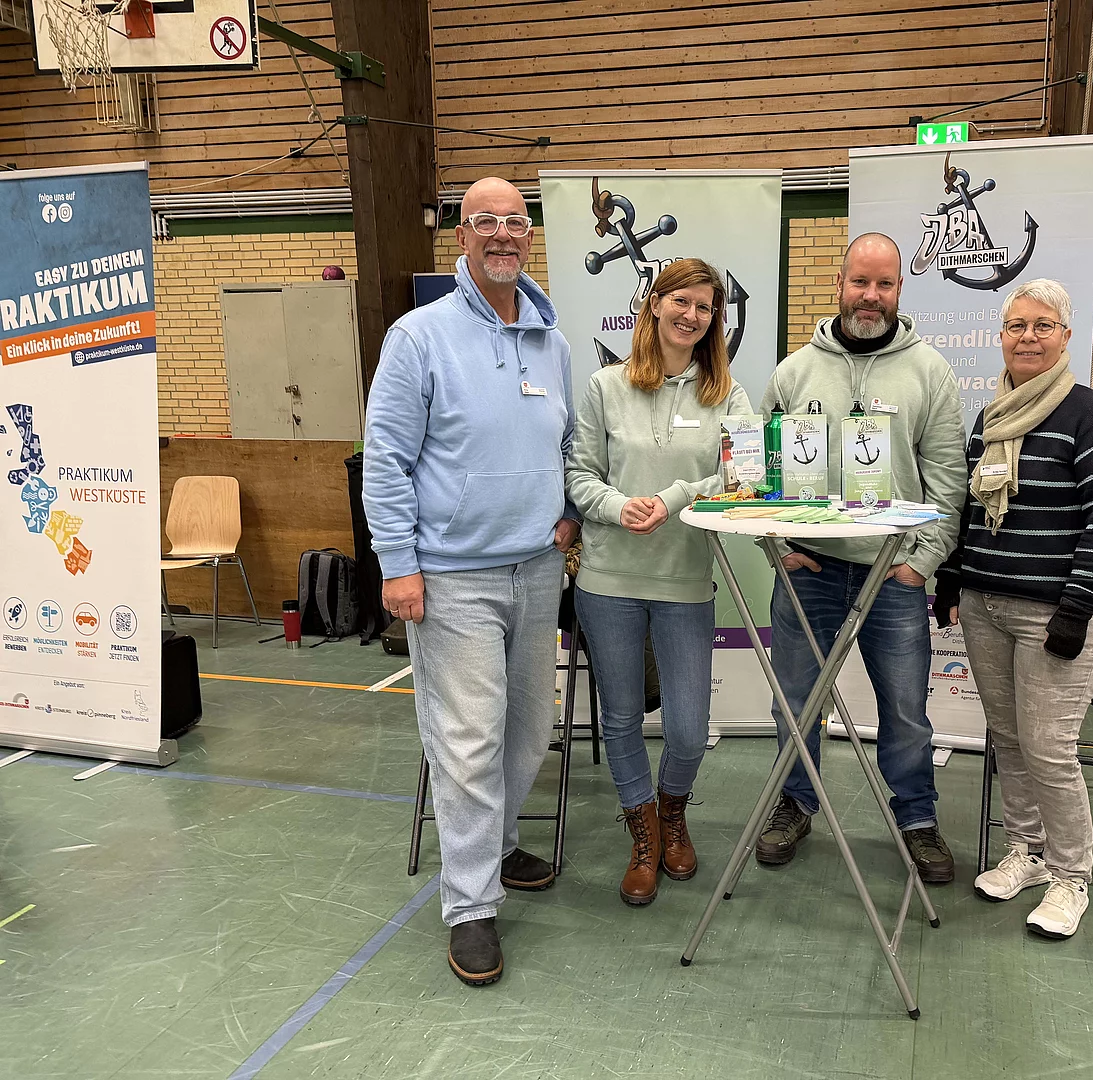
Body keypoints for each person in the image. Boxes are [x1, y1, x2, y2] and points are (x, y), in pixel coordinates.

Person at [363, 177, 579, 987]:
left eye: (515, 222)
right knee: (468, 741)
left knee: (528, 731)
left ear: (529, 237)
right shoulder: (418, 337)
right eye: (486, 220)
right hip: (452, 578)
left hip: (537, 569)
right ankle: (470, 904)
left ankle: (494, 844)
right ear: (461, 236)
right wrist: (398, 565)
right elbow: (386, 459)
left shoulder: (553, 343)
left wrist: (569, 513)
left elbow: (566, 443)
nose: (502, 234)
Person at [754, 232, 967, 884]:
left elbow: (947, 481)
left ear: (900, 290)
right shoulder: (794, 372)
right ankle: (794, 803)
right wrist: (777, 545)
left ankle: (917, 818)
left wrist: (921, 563)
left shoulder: (929, 372)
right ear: (839, 284)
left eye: (884, 284)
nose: (870, 296)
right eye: (860, 282)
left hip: (892, 575)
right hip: (809, 571)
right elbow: (758, 474)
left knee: (904, 710)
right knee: (795, 702)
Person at [933, 277, 1093, 940]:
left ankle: (1071, 877)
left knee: (1049, 749)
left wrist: (1078, 606)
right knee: (1011, 741)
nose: (1028, 337)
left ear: (1065, 336)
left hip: (1051, 615)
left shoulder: (1089, 415)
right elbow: (971, 506)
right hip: (985, 606)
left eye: (1042, 325)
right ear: (1001, 336)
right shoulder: (990, 418)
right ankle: (1027, 852)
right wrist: (952, 578)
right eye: (1017, 325)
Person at [566, 258, 752, 905]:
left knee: (688, 726)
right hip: (607, 580)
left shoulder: (726, 393)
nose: (691, 315)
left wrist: (672, 498)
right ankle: (644, 832)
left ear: (714, 319)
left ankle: (673, 812)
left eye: (705, 307)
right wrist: (620, 507)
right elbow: (579, 475)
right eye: (681, 301)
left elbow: (744, 474)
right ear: (653, 304)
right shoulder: (604, 386)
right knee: (620, 718)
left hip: (684, 580)